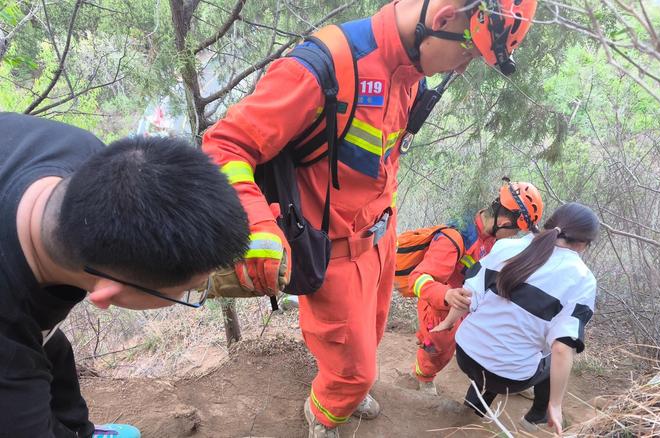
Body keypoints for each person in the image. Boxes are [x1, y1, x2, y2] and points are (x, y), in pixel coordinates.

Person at [202, 1, 538, 436]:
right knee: (354, 370)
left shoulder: (410, 75)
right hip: (334, 251)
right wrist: (257, 227)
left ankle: (346, 391)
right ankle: (323, 416)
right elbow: (223, 148)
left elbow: (379, 162)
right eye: (469, 53)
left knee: (372, 339)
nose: (465, 67)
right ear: (442, 20)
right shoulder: (324, 68)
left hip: (380, 240)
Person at [0, 112, 250, 438]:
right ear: (107, 293)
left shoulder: (84, 153)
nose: (199, 291)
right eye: (189, 291)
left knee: (54, 348)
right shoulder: (9, 350)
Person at [452, 202, 599, 435]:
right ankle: (538, 413)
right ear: (583, 244)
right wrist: (556, 404)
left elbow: (469, 293)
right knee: (552, 354)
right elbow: (562, 348)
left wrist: (447, 322)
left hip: (465, 353)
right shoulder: (582, 279)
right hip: (507, 377)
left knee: (503, 332)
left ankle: (473, 406)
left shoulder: (506, 246)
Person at [409, 181, 543, 395]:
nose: (514, 236)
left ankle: (505, 375)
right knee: (439, 345)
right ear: (506, 221)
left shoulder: (491, 237)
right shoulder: (456, 236)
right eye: (515, 231)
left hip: (468, 297)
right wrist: (446, 294)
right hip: (440, 302)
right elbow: (418, 278)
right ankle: (424, 377)